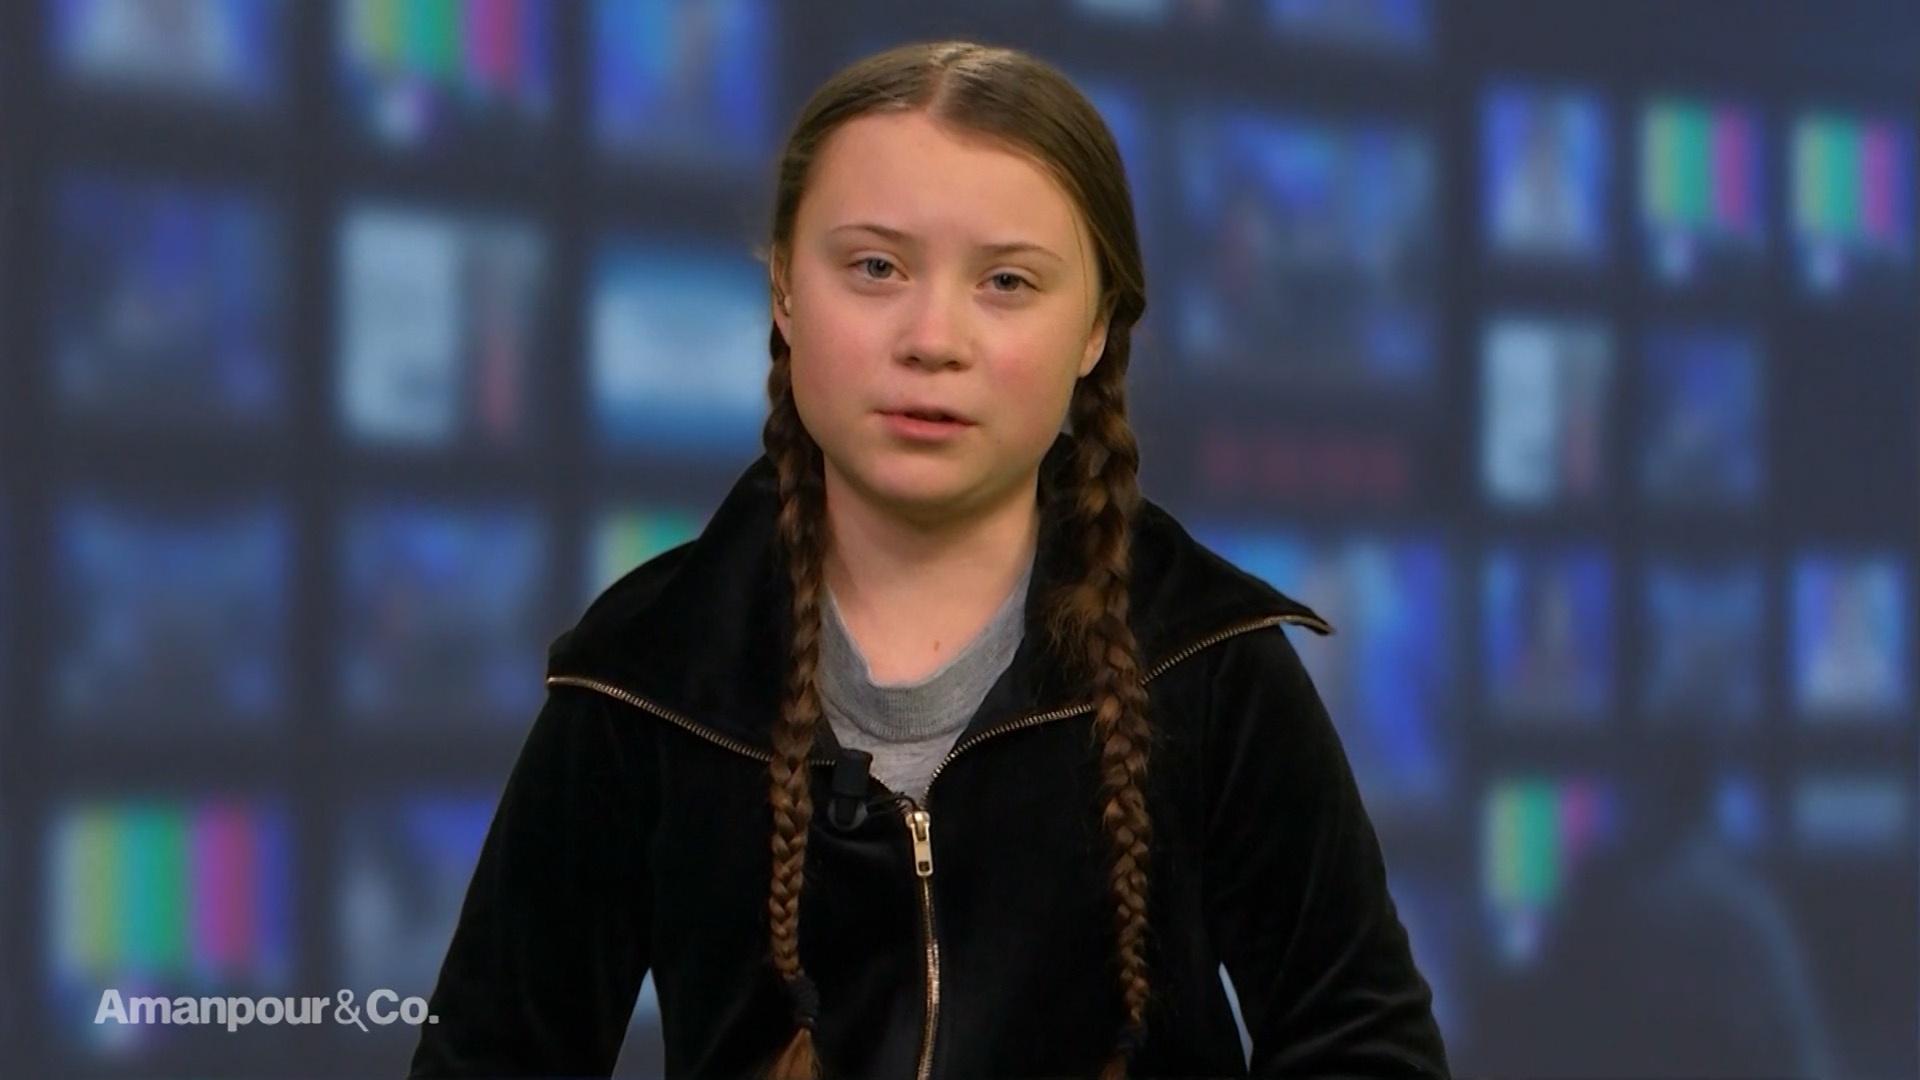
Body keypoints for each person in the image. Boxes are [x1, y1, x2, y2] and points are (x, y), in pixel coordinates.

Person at [409, 39, 1449, 1080]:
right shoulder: (644, 676)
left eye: (1006, 281)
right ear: (783, 288)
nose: (933, 338)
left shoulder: (1210, 662)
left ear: (1097, 327)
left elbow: (1365, 1048)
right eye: (875, 268)